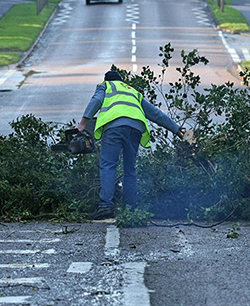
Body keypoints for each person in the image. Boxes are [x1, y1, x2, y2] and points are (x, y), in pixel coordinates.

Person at [77, 70, 185, 220]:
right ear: (121, 80)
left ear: (106, 80)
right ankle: (130, 208)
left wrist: (82, 124)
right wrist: (175, 128)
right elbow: (154, 113)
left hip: (114, 128)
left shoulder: (105, 86)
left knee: (108, 165)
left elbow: (96, 100)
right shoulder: (132, 91)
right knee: (130, 169)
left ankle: (105, 207)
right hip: (135, 129)